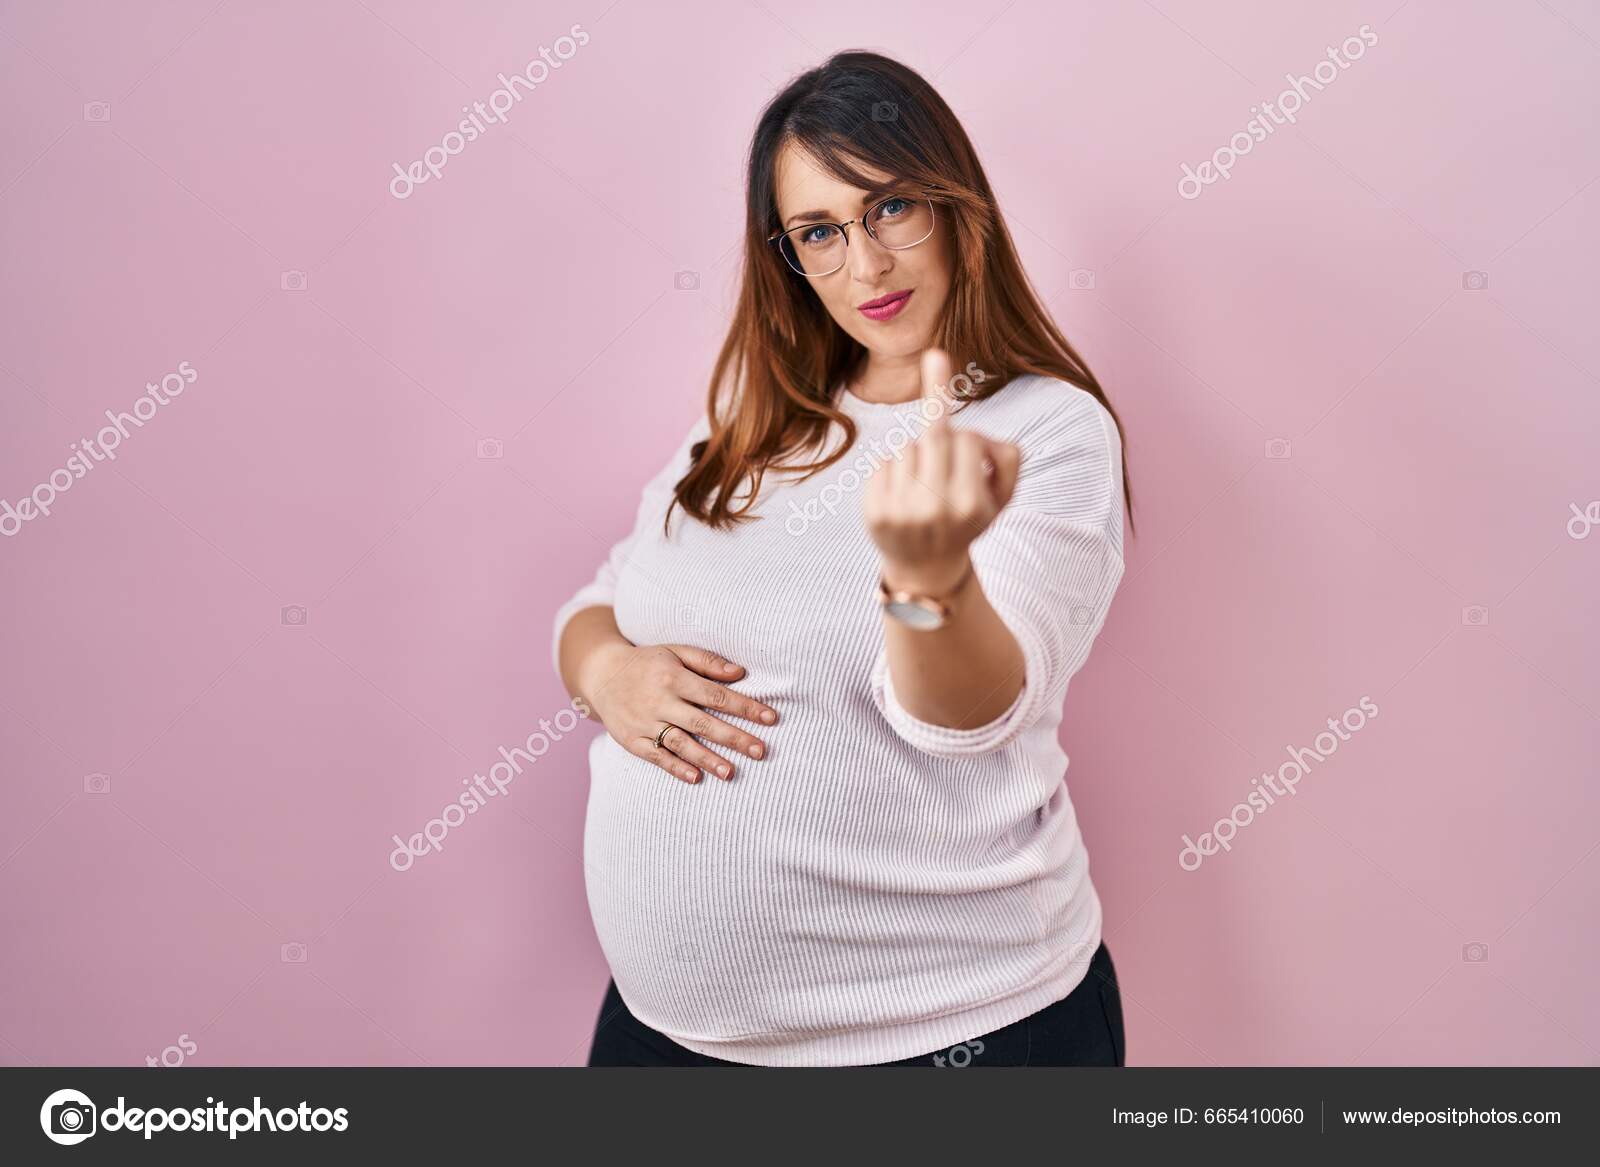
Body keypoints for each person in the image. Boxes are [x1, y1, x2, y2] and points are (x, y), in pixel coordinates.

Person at [553, 50, 1132, 1067]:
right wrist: (608, 674)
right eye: (820, 231)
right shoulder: (752, 421)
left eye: (892, 209)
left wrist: (927, 578)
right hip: (666, 1037)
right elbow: (598, 604)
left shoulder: (1043, 428)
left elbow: (973, 715)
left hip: (952, 1037)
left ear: (959, 208)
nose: (864, 266)